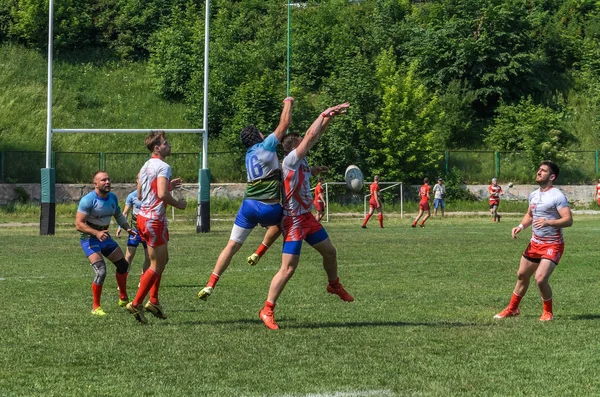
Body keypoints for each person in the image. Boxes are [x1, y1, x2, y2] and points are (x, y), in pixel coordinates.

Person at [258, 102, 353, 331]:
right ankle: (267, 309)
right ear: (294, 147)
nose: (307, 143)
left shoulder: (301, 161)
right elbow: (312, 134)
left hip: (307, 218)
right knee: (288, 269)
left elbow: (316, 133)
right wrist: (325, 112)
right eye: (302, 142)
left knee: (330, 252)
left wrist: (331, 118)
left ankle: (333, 285)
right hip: (293, 221)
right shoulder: (291, 160)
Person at [197, 97, 294, 300]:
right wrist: (288, 102)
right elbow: (284, 124)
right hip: (269, 208)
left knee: (231, 246)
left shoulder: (249, 154)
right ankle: (263, 253)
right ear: (258, 135)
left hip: (248, 206)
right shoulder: (266, 146)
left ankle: (210, 284)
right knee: (287, 219)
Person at [494, 161, 572, 322]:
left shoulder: (557, 196)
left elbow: (568, 220)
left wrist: (548, 222)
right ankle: (513, 308)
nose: (538, 172)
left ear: (552, 176)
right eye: (539, 169)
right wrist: (521, 226)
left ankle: (548, 312)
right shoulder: (534, 195)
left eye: (543, 171)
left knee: (540, 278)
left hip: (552, 244)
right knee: (522, 275)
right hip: (535, 243)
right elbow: (530, 215)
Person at [125, 130, 187, 324]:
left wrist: (168, 187)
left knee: (163, 259)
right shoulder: (163, 167)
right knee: (155, 264)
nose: (169, 146)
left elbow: (142, 195)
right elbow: (160, 195)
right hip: (154, 220)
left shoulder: (146, 166)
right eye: (165, 143)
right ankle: (136, 304)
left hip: (144, 216)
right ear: (157, 147)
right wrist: (179, 204)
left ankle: (153, 301)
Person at [75, 171, 136, 316]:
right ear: (95, 184)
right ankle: (96, 307)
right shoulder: (88, 200)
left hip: (105, 237)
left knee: (123, 265)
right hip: (89, 239)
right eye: (103, 180)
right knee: (101, 271)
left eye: (108, 179)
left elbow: (118, 216)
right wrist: (96, 233)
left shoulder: (112, 198)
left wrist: (127, 228)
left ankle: (123, 298)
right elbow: (79, 224)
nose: (107, 182)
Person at [116, 183, 149, 281]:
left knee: (149, 257)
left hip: (148, 231)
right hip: (135, 230)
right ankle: (123, 280)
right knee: (129, 256)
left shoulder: (150, 195)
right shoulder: (132, 196)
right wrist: (120, 227)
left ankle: (143, 281)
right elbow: (125, 213)